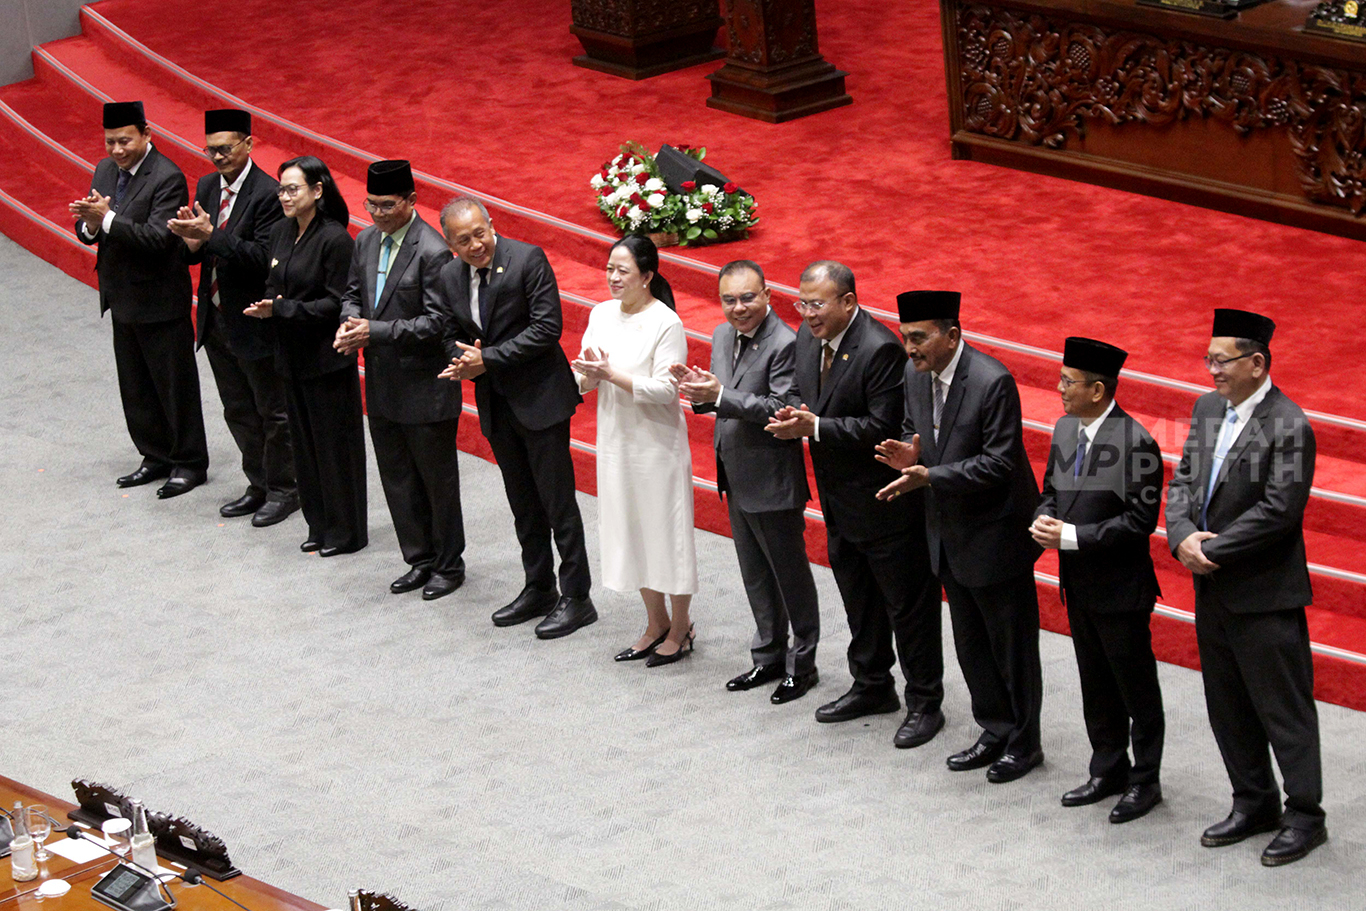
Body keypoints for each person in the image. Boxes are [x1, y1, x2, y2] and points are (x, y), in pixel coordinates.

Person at [1165, 308, 1325, 866]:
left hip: (1265, 595)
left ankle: (1305, 814)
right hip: (1213, 590)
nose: (1211, 370)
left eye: (1221, 360)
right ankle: (1253, 800)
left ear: (1257, 363)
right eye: (1208, 359)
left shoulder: (1290, 424)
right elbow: (1184, 478)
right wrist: (1181, 534)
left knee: (1284, 710)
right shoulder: (1208, 408)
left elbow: (1280, 511)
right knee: (1227, 704)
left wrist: (1210, 549)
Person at [766, 263, 945, 747]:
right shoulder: (807, 339)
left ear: (848, 302)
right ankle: (872, 685)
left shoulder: (881, 348)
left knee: (908, 609)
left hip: (887, 506)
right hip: (839, 503)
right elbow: (811, 398)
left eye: (817, 304)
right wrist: (797, 414)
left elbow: (882, 427)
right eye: (802, 303)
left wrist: (815, 427)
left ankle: (925, 702)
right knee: (859, 602)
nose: (807, 314)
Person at [875, 290, 1043, 781]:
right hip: (945, 534)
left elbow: (998, 462)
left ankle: (1025, 742)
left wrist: (930, 474)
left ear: (952, 336)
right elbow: (914, 431)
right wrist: (911, 455)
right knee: (970, 643)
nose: (910, 348)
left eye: (919, 337)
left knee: (1011, 646)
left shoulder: (992, 382)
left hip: (996, 535)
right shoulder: (914, 374)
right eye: (906, 337)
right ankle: (994, 729)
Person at [437, 197, 595, 637]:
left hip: (541, 400)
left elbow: (547, 329)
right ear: (450, 243)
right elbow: (447, 332)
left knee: (557, 502)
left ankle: (577, 597)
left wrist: (486, 359)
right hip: (497, 404)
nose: (475, 245)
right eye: (463, 240)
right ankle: (538, 585)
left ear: (492, 225)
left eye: (480, 234)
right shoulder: (449, 275)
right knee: (522, 504)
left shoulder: (527, 259)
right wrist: (462, 358)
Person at [1030, 337, 1165, 823]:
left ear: (1098, 390)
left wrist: (1071, 537)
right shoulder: (1067, 429)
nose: (1060, 389)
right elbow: (1051, 490)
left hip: (1121, 589)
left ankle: (1145, 780)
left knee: (1135, 687)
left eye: (1069, 383)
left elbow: (1139, 522)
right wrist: (1046, 519)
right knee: (1095, 683)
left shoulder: (1137, 443)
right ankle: (1108, 767)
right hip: (1080, 585)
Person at [674, 260, 819, 700]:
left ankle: (803, 664)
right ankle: (768, 657)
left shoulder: (787, 342)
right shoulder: (721, 335)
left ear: (768, 295)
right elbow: (726, 395)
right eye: (729, 300)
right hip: (735, 474)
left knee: (789, 576)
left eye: (748, 297)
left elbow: (781, 406)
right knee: (755, 575)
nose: (738, 308)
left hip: (772, 477)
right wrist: (704, 394)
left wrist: (720, 396)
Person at [70, 100, 209, 499]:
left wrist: (108, 220)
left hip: (160, 300)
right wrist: (91, 226)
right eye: (111, 142)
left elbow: (158, 238)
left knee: (173, 386)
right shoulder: (104, 169)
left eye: (125, 141)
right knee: (135, 386)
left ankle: (189, 462)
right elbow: (90, 226)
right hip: (122, 297)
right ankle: (154, 454)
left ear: (147, 135)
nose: (117, 150)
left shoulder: (167, 177)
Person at [337, 161, 463, 600]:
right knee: (397, 476)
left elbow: (437, 323)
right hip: (383, 381)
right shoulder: (366, 240)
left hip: (425, 384)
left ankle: (448, 564)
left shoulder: (432, 250)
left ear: (411, 200)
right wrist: (350, 322)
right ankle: (419, 558)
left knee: (436, 480)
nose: (377, 214)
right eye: (370, 204)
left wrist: (376, 331)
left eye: (386, 205)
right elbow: (354, 292)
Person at [573, 236, 698, 666]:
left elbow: (666, 390)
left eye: (623, 270)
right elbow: (583, 376)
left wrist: (612, 373)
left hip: (657, 446)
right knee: (632, 530)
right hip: (616, 440)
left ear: (647, 276)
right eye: (610, 268)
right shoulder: (601, 313)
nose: (613, 277)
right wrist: (589, 376)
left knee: (667, 536)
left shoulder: (666, 323)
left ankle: (681, 628)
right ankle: (655, 621)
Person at [169, 108, 296, 526]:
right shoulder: (206, 185)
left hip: (252, 317)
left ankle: (284, 488)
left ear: (248, 144)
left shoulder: (268, 193)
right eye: (211, 150)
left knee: (272, 411)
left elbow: (264, 258)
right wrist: (192, 242)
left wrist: (212, 237)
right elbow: (204, 251)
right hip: (215, 316)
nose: (218, 157)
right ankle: (257, 483)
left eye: (225, 149)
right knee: (237, 408)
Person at [244, 156, 366, 557]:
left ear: (318, 190)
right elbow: (274, 282)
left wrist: (281, 309)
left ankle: (346, 530)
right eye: (281, 189)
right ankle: (319, 524)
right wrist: (270, 304)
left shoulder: (335, 239)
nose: (284, 196)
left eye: (293, 188)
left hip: (326, 360)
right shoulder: (281, 232)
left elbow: (336, 304)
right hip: (291, 358)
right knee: (306, 448)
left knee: (334, 449)